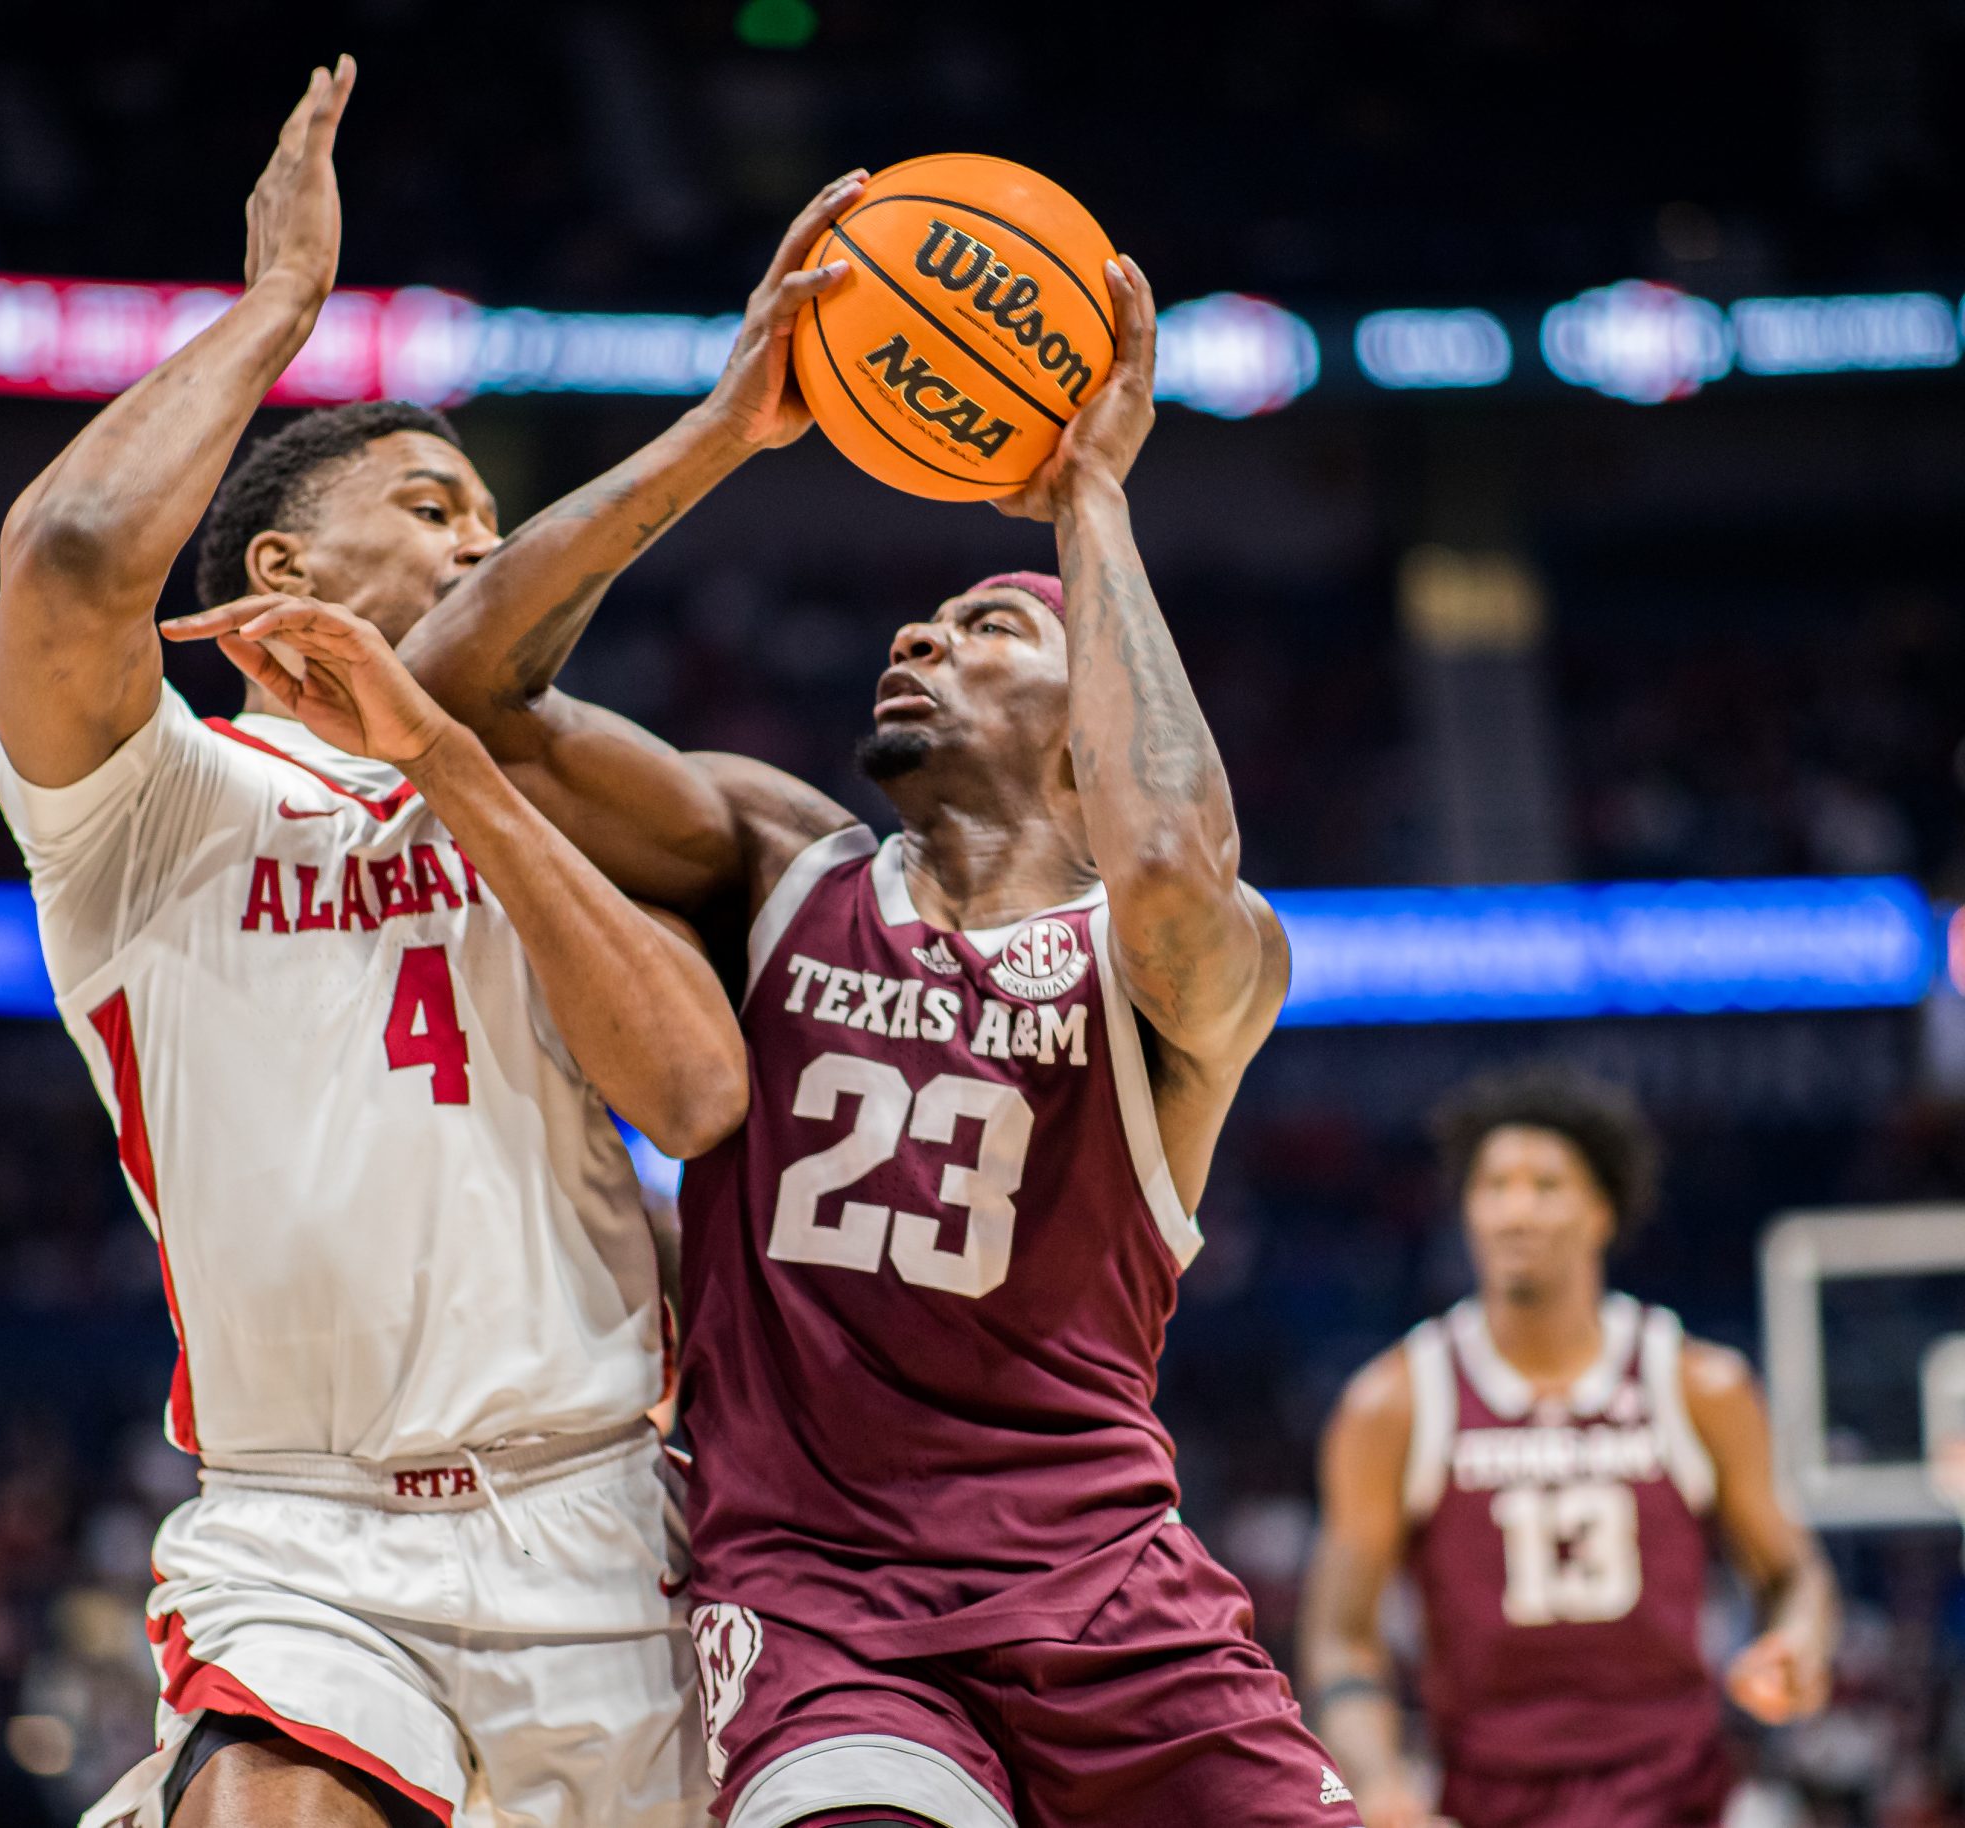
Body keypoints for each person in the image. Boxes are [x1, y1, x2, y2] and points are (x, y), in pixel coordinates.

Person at [204, 188, 1357, 1826]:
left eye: (984, 627)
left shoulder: (1188, 965)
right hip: (821, 1601)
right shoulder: (775, 858)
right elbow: (462, 689)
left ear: (1084, 713)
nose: (919, 629)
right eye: (929, 613)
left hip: (1103, 1583)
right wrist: (729, 426)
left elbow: (1169, 846)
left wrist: (1087, 500)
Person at [0, 58, 747, 1828]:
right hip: (305, 1528)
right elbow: (79, 550)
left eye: (494, 522)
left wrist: (460, 769)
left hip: (604, 1519)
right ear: (282, 566)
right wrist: (278, 310)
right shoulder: (148, 800)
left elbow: (700, 1094)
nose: (484, 544)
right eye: (432, 507)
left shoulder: (547, 800)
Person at [1299, 1066, 1841, 1828]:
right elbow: (1341, 1638)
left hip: (1679, 1792)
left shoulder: (1699, 1384)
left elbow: (1793, 1572)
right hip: (1485, 1793)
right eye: (1494, 1186)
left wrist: (1797, 1644)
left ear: (1602, 1211)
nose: (1515, 1211)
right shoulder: (1394, 1402)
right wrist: (1378, 1779)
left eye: (1545, 1186)